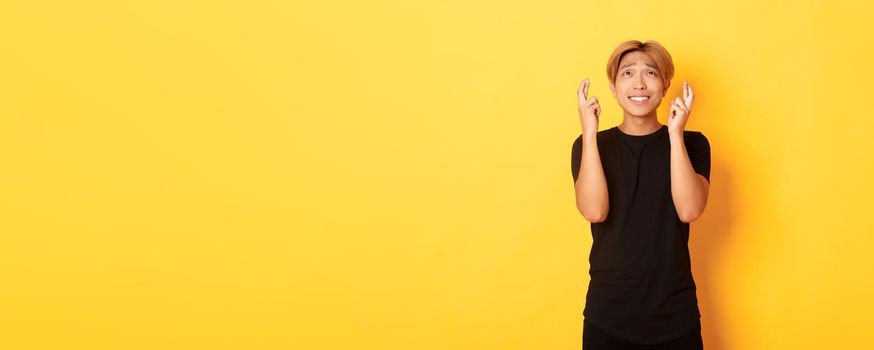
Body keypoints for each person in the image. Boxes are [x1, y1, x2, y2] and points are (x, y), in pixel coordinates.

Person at [571, 40, 711, 349]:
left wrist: (675, 135)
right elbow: (595, 211)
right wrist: (590, 134)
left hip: (676, 318)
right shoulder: (590, 145)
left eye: (650, 73)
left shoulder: (693, 144)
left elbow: (690, 210)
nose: (639, 83)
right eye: (627, 73)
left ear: (665, 85)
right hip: (607, 317)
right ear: (612, 86)